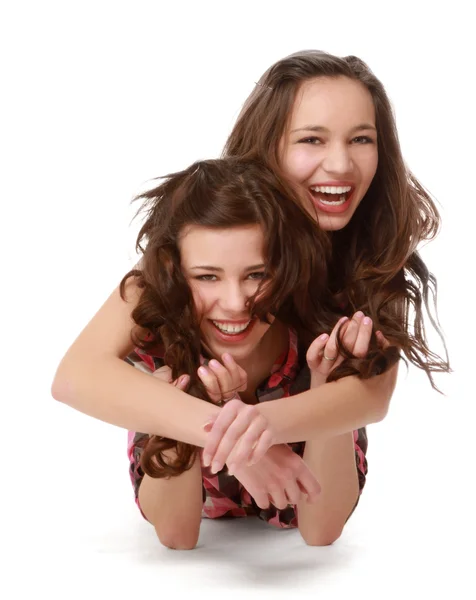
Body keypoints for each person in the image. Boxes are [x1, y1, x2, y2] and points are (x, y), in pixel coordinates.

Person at [52, 48, 449, 548]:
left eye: (362, 139)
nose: (341, 163)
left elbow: (370, 395)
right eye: (311, 139)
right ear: (267, 149)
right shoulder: (206, 242)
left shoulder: (374, 257)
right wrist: (243, 440)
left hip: (310, 474)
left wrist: (253, 429)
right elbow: (77, 374)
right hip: (188, 461)